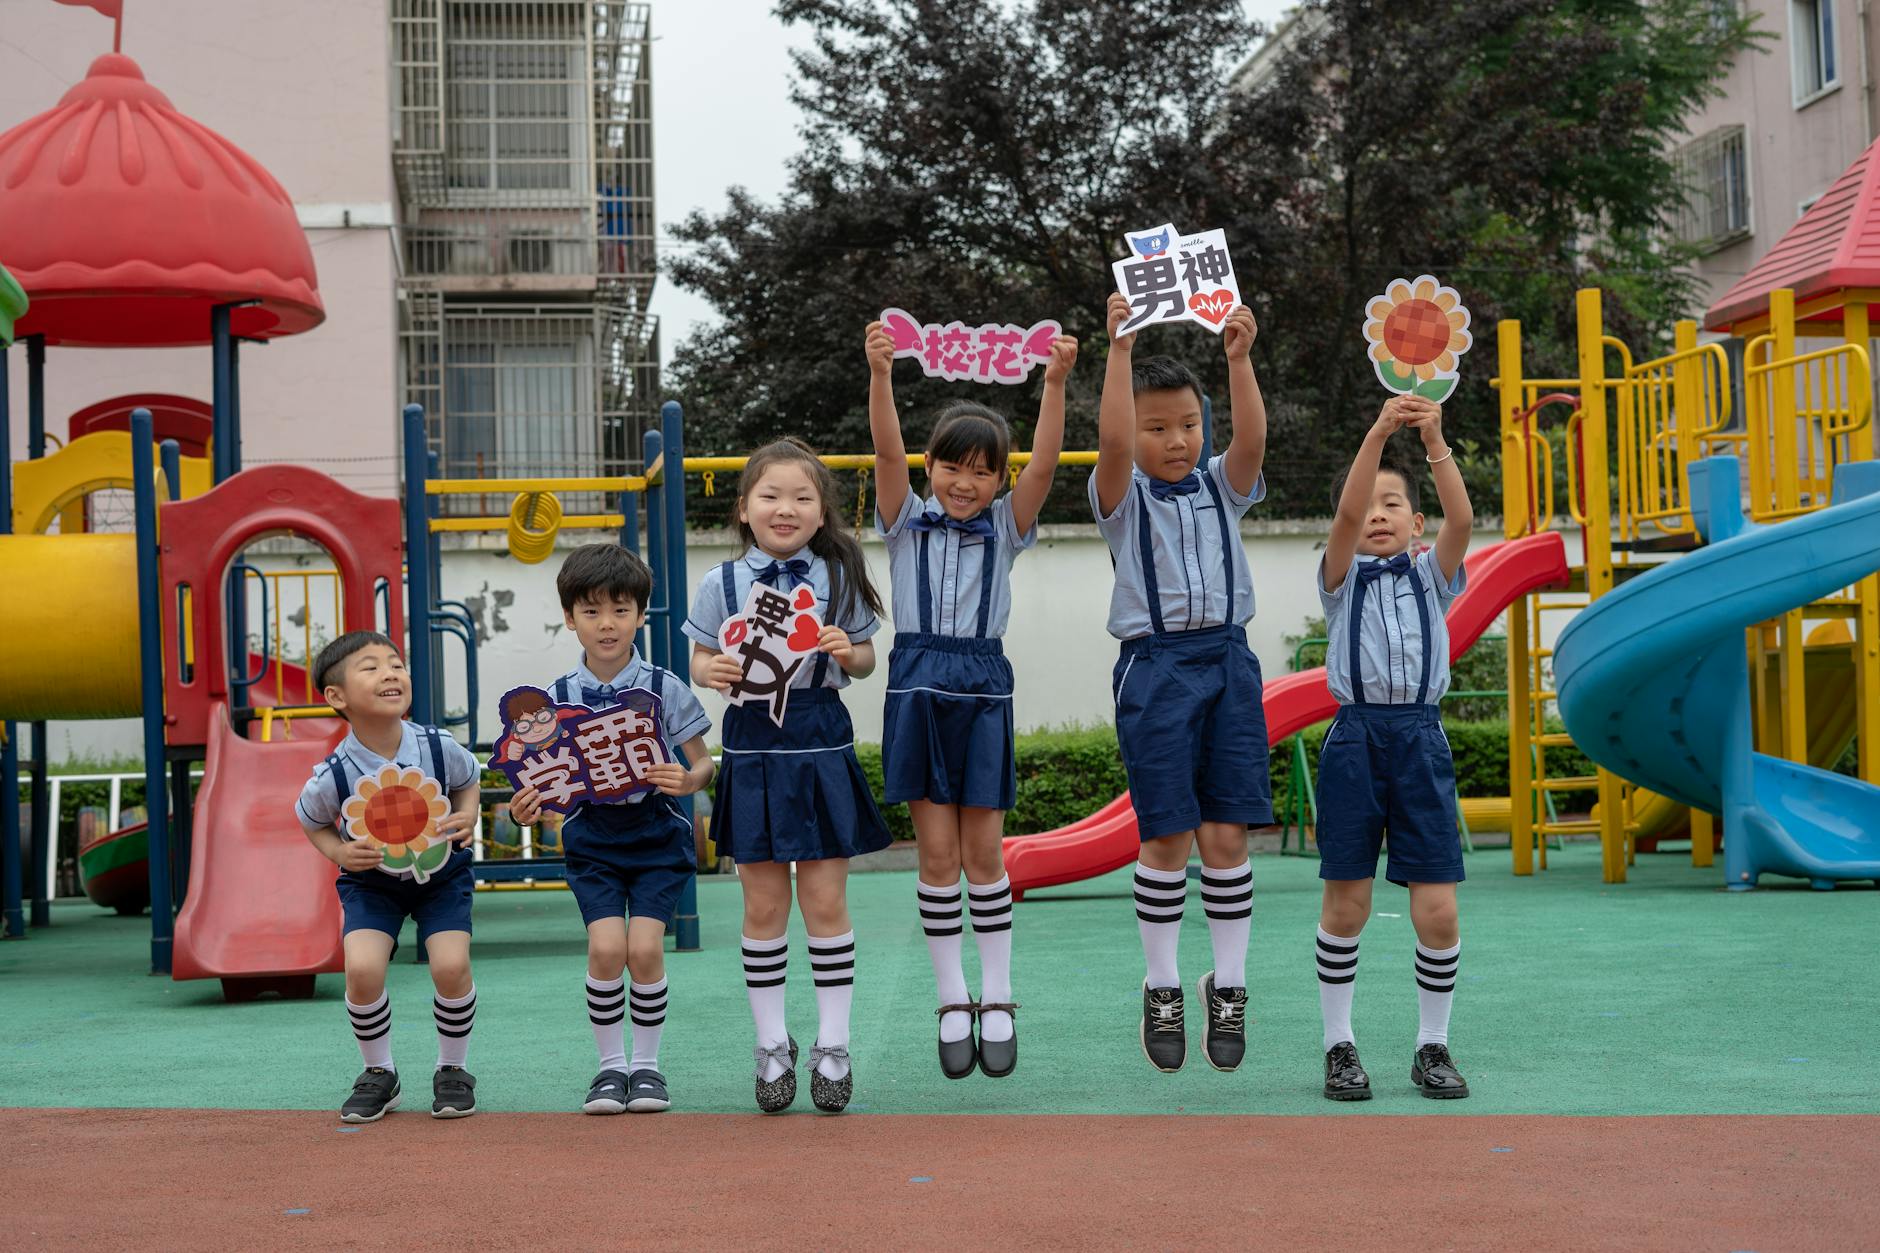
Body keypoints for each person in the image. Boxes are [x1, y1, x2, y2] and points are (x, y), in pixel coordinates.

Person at [864, 318, 1077, 1080]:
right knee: (937, 853)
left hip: (983, 686)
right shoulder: (902, 524)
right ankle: (952, 999)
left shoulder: (1005, 527)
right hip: (917, 684)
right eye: (952, 466)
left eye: (982, 471)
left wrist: (1054, 383)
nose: (965, 482)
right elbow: (886, 450)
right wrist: (881, 374)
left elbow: (1047, 469)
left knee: (985, 853)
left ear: (997, 478)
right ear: (930, 467)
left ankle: (999, 992)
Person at [1089, 292, 1270, 1074]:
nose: (1177, 439)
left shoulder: (1221, 487)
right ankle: (1162, 983)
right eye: (1158, 427)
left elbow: (1254, 441)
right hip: (1156, 666)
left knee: (1227, 835)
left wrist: (1238, 358)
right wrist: (1120, 350)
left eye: (1188, 425)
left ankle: (1226, 985)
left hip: (1229, 661)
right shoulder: (1123, 500)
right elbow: (1111, 442)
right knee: (1165, 835)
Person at [683, 439, 892, 1113]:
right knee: (763, 906)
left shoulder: (839, 572)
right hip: (750, 749)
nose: (786, 507)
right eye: (770, 495)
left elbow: (864, 659)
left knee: (826, 902)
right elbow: (699, 657)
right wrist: (709, 670)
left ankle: (834, 1042)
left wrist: (847, 650)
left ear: (821, 510)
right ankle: (772, 1045)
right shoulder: (720, 582)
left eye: (803, 497)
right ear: (744, 508)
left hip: (820, 743)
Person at [508, 544, 715, 1115]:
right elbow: (538, 785)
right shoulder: (551, 701)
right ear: (570, 618)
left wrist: (688, 779)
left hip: (656, 835)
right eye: (592, 611)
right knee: (606, 949)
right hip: (592, 839)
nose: (607, 624)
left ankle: (647, 1069)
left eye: (621, 610)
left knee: (644, 950)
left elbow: (704, 762)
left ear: (641, 616)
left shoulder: (664, 687)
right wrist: (525, 808)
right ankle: (609, 1070)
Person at [1314, 394, 1473, 1101]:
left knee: (1437, 909)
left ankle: (1431, 1044)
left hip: (1419, 737)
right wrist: (1377, 430)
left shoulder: (1430, 576)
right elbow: (1346, 517)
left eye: (1393, 504)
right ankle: (1338, 1045)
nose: (1377, 513)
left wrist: (1433, 438)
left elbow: (1463, 519)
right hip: (1355, 739)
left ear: (1416, 523)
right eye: (1369, 503)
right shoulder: (1340, 579)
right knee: (1346, 903)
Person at [295, 631, 484, 1122]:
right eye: (371, 667)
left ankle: (453, 1069)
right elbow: (311, 820)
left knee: (449, 966)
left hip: (442, 876)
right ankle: (379, 1073)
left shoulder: (438, 746)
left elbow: (469, 782)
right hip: (371, 884)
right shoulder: (332, 773)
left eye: (396, 664)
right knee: (361, 970)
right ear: (337, 697)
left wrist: (468, 816)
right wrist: (339, 851)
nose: (390, 673)